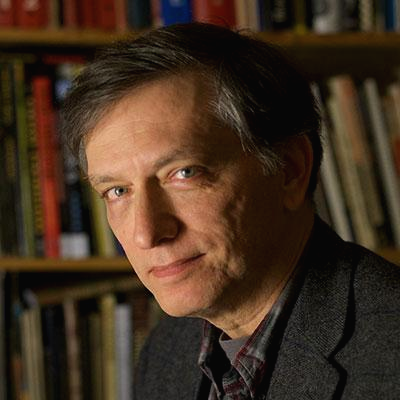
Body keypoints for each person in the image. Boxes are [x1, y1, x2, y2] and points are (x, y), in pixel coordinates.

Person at [61, 23, 400, 399]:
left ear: (289, 170)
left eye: (184, 173)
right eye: (117, 191)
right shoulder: (166, 350)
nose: (146, 233)